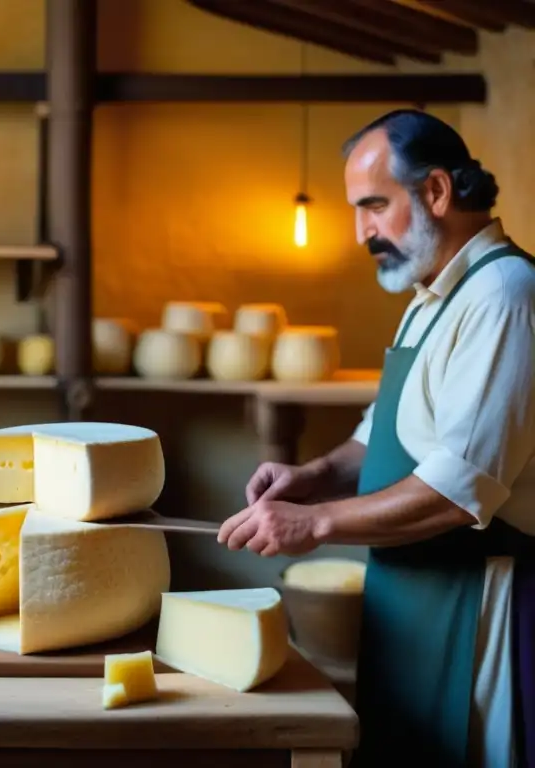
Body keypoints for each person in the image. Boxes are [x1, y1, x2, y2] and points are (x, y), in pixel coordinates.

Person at [217, 109, 535, 767]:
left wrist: (315, 523)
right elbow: (379, 435)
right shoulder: (431, 297)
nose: (361, 231)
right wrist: (311, 476)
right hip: (412, 592)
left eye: (373, 206)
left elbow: (455, 492)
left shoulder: (505, 295)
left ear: (438, 192)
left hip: (477, 602)